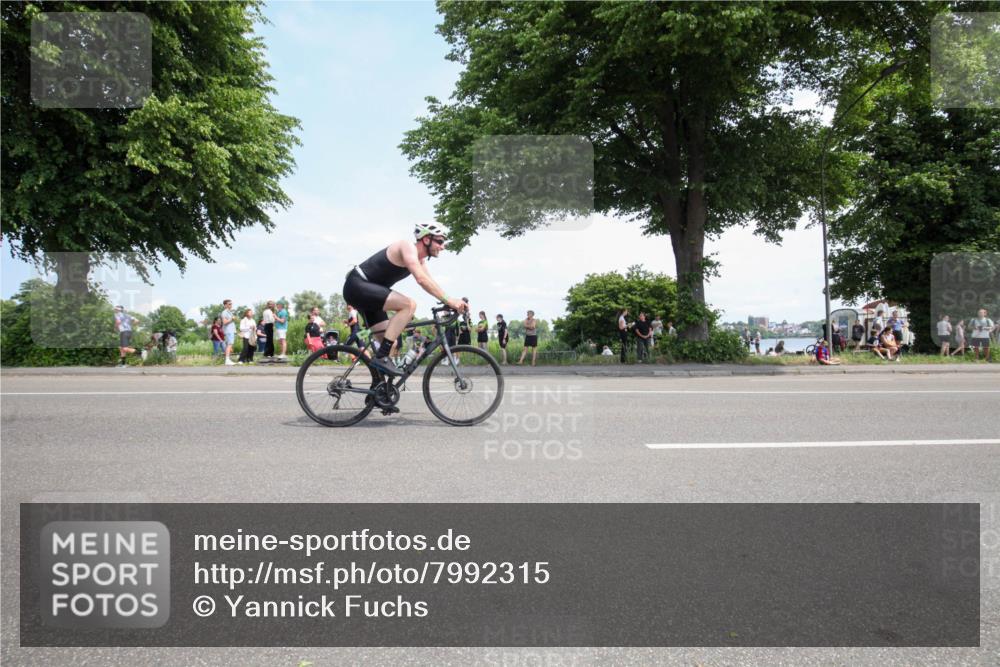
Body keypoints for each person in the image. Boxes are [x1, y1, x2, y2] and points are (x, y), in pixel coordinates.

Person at [342, 223, 467, 376]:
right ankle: (381, 358)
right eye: (440, 242)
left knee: (391, 342)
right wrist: (449, 300)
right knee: (409, 305)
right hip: (357, 286)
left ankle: (378, 390)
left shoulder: (420, 260)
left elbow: (431, 282)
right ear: (426, 239)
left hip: (370, 297)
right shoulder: (407, 247)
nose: (442, 247)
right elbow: (421, 279)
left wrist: (450, 302)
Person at [221, 299, 237, 365]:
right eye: (229, 304)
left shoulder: (229, 312)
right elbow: (224, 322)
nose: (231, 305)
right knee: (229, 345)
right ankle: (227, 360)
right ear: (225, 305)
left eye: (231, 304)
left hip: (231, 331)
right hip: (228, 331)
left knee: (230, 345)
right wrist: (232, 319)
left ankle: (228, 360)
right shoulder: (224, 312)